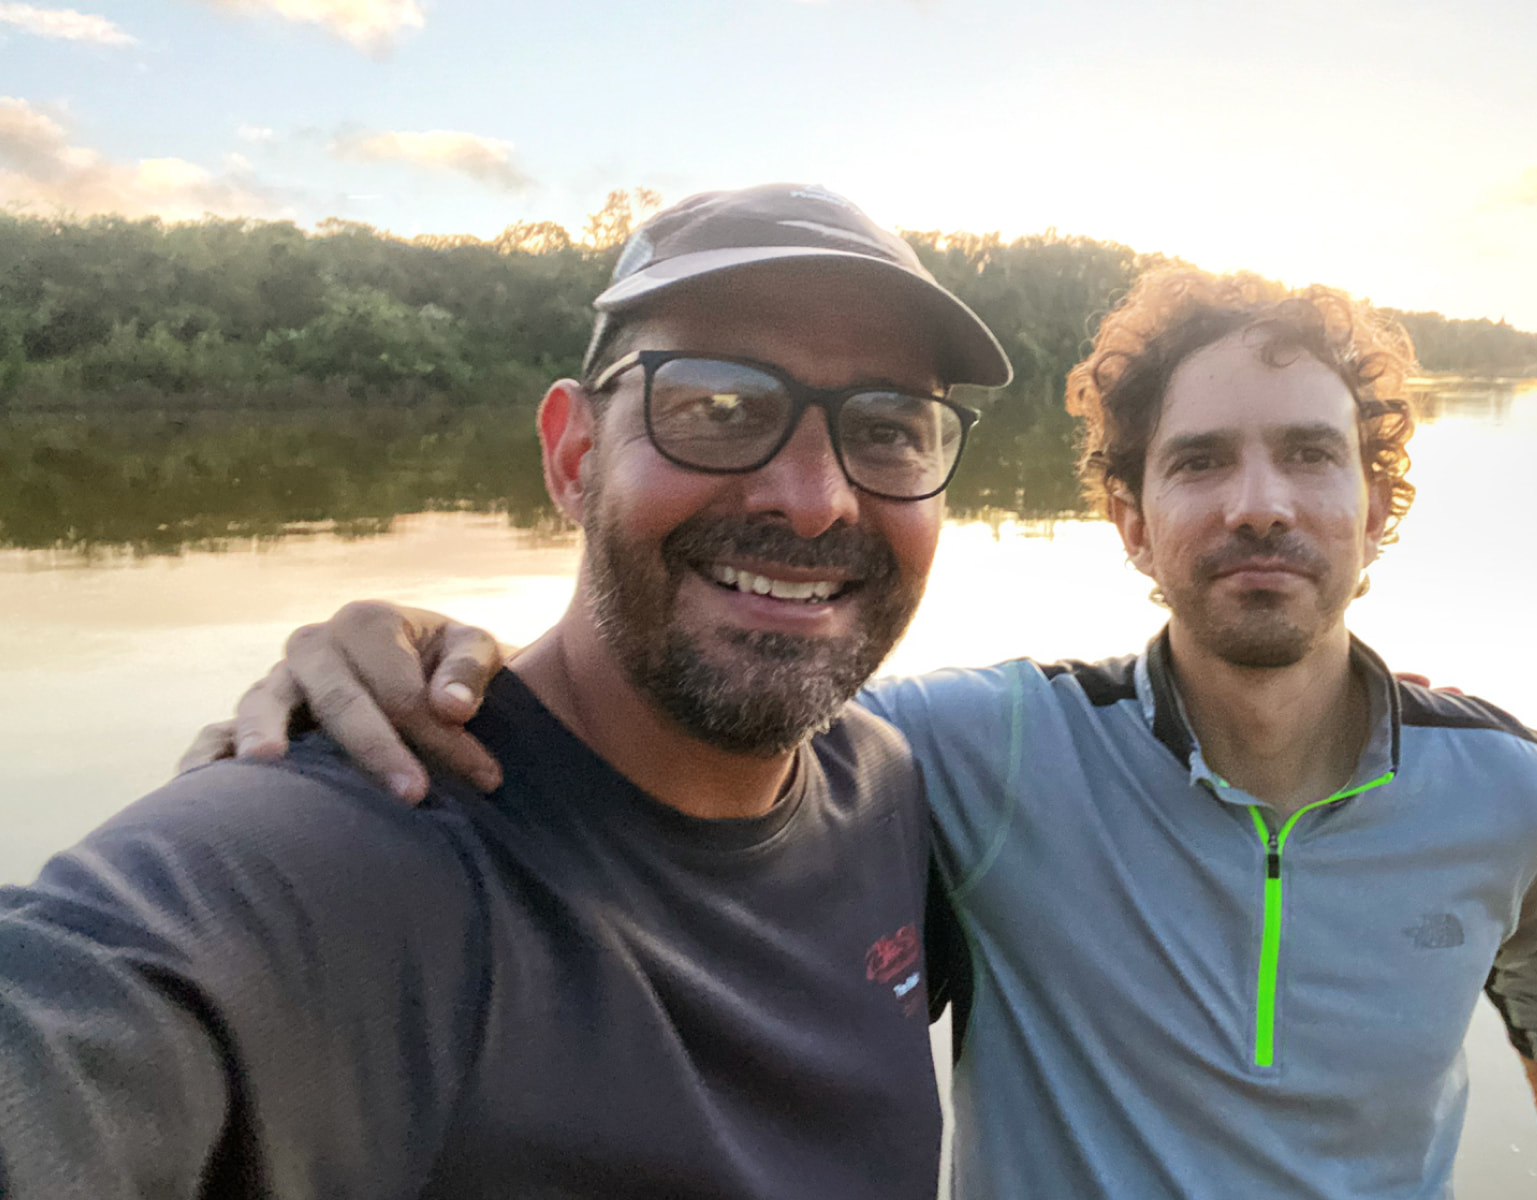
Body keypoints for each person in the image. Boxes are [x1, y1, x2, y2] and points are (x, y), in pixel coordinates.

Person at [198, 268, 1537, 1199]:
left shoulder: (1508, 788)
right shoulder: (989, 752)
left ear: (1375, 501)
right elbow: (686, 714)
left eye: (1309, 457)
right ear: (1131, 518)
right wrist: (413, 651)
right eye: (1200, 462)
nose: (1259, 505)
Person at [0, 182, 1013, 1198]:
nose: (813, 500)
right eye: (720, 406)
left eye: (888, 429)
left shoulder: (890, 791)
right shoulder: (351, 859)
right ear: (573, 456)